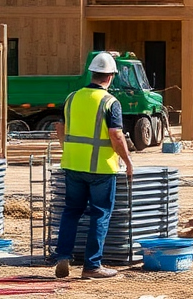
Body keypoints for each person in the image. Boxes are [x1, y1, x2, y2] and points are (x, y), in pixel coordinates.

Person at [52, 52, 134, 280]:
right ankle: (92, 266)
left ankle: (62, 256)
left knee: (71, 212)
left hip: (73, 166)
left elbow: (60, 128)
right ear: (110, 77)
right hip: (101, 169)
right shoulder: (110, 102)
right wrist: (127, 162)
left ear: (92, 73)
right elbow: (116, 135)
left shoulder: (72, 97)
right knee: (100, 214)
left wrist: (68, 149)